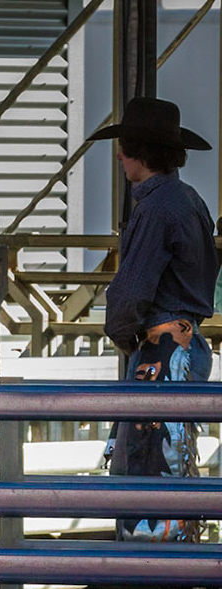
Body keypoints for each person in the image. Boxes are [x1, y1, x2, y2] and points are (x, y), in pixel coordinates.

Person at [91, 97, 218, 548]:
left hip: (162, 351)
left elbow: (130, 293)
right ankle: (176, 579)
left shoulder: (157, 207)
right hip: (183, 342)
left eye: (124, 148)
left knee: (147, 470)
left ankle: (152, 581)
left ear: (138, 151)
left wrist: (124, 333)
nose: (119, 156)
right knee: (168, 462)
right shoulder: (187, 199)